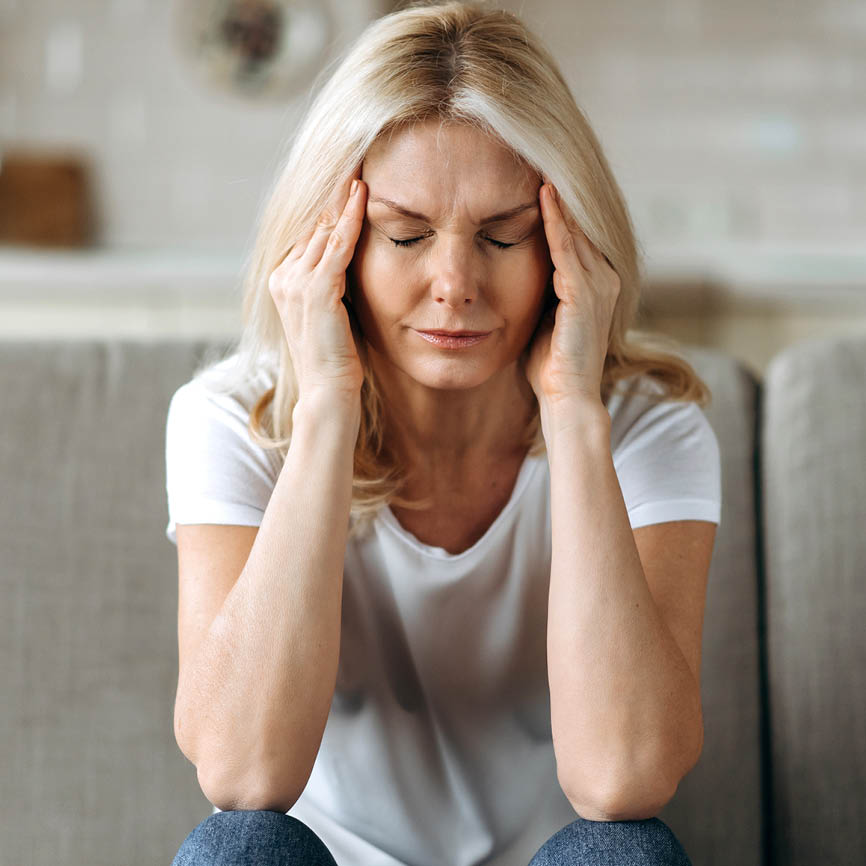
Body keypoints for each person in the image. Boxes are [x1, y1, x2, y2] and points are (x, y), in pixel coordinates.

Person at [165, 2, 721, 864]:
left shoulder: (652, 429)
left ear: (566, 244)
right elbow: (241, 777)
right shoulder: (231, 419)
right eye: (406, 234)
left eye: (503, 237)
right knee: (237, 845)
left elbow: (622, 780)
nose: (454, 283)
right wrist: (324, 414)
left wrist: (574, 409)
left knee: (627, 852)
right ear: (332, 244)